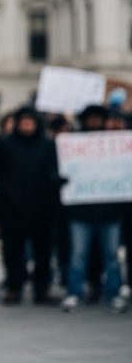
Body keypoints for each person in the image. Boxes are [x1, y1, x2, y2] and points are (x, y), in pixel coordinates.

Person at [59, 105, 128, 314]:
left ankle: (113, 293)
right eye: (92, 119)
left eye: (99, 119)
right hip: (81, 211)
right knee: (78, 255)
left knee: (111, 256)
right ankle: (75, 292)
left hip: (110, 211)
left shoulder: (117, 145)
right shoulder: (72, 143)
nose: (95, 122)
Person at [0, 107, 61, 305]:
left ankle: (41, 289)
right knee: (13, 251)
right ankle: (14, 287)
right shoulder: (5, 144)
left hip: (42, 208)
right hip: (12, 208)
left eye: (30, 122)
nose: (27, 126)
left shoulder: (47, 145)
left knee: (43, 251)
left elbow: (53, 172)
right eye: (23, 122)